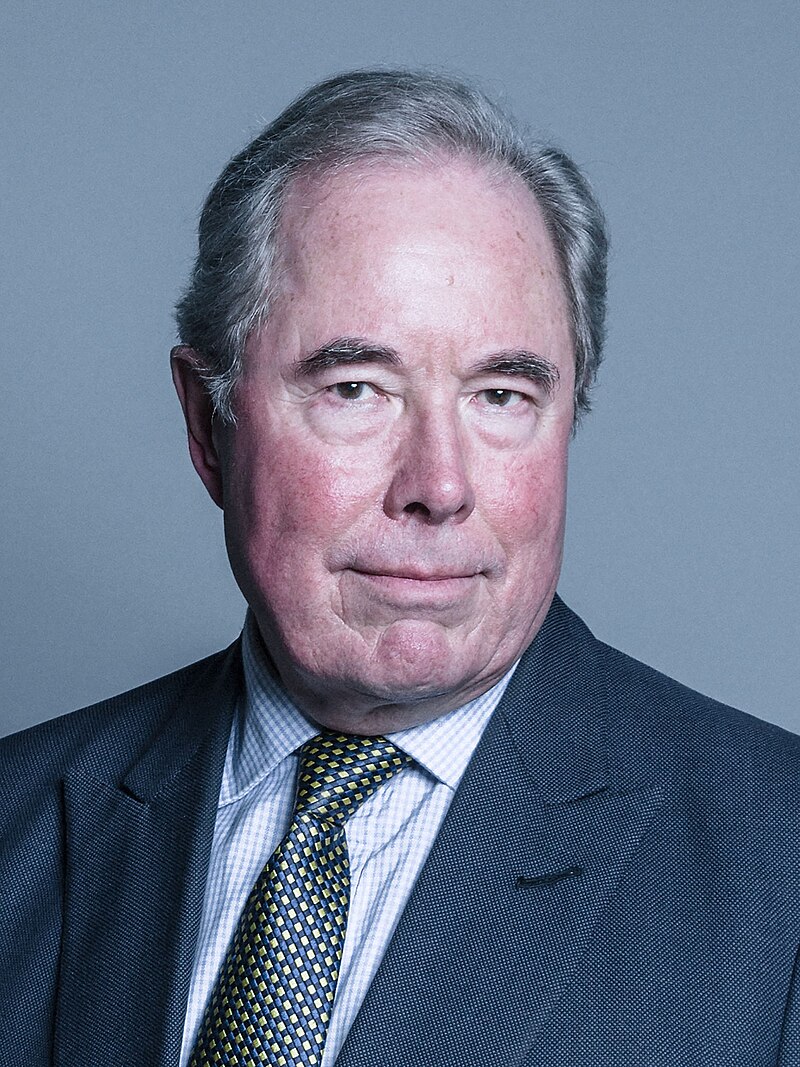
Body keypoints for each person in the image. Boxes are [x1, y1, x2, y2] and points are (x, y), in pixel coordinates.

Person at [1, 69, 798, 1067]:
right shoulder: (19, 822)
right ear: (208, 424)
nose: (439, 485)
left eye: (500, 395)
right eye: (356, 387)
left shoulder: (779, 868)